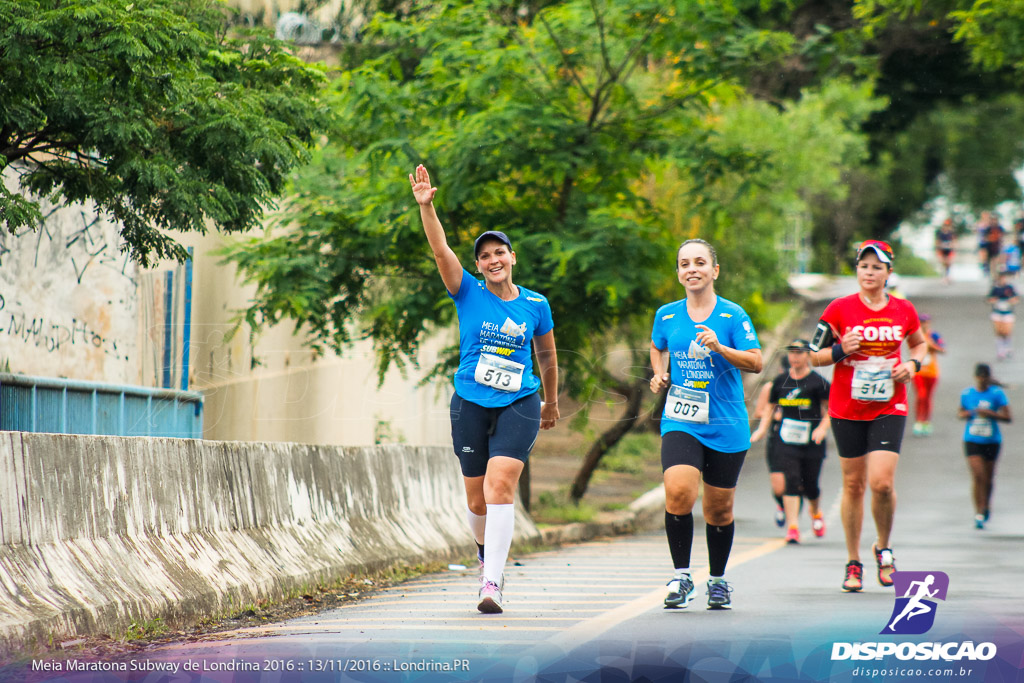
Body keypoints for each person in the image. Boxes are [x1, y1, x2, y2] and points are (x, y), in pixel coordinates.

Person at [409, 164, 559, 614]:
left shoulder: (537, 303)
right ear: (478, 265)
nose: (493, 260)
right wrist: (427, 207)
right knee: (476, 495)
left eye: (500, 253)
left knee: (500, 485)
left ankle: (491, 583)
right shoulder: (467, 291)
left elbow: (547, 356)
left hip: (520, 400)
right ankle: (483, 554)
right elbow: (440, 252)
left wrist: (550, 401)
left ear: (513, 257)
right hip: (470, 402)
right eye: (485, 256)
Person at [649, 238, 762, 610]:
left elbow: (756, 362)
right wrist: (659, 373)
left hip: (727, 423)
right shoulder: (666, 314)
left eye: (700, 262)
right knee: (679, 492)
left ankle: (717, 580)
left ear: (714, 270)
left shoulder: (733, 315)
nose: (691, 269)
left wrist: (720, 348)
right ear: (679, 273)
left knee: (719, 509)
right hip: (681, 418)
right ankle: (682, 577)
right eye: (684, 264)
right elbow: (657, 345)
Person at [809, 239, 927, 593]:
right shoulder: (839, 309)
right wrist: (840, 349)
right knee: (853, 485)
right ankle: (853, 561)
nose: (869, 272)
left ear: (889, 273)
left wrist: (911, 364)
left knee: (882, 483)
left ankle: (884, 547)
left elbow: (919, 344)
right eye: (864, 266)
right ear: (857, 270)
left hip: (889, 404)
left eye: (877, 267)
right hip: (847, 406)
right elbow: (811, 355)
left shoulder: (904, 310)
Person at [751, 339, 831, 544]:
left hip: (811, 440)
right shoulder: (780, 381)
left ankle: (816, 513)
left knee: (810, 484)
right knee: (792, 481)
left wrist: (822, 428)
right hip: (786, 439)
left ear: (808, 356)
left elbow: (831, 409)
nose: (794, 357)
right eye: (792, 352)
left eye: (799, 353)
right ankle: (793, 526)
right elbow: (770, 408)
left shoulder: (818, 382)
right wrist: (761, 430)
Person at [958, 364, 1011, 529]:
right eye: (980, 377)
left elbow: (1008, 417)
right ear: (976, 377)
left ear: (988, 378)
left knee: (988, 478)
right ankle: (978, 512)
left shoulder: (997, 394)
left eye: (985, 377)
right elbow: (960, 412)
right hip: (972, 439)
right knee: (978, 476)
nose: (982, 380)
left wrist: (990, 414)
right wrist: (967, 414)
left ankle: (986, 505)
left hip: (992, 440)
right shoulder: (967, 393)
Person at [752, 355, 789, 528]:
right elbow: (759, 412)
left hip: (801, 439)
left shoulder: (808, 383)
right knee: (779, 484)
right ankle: (781, 505)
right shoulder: (771, 386)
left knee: (799, 481)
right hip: (777, 436)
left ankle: (796, 519)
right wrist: (776, 415)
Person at [911, 314, 945, 436]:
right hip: (918, 371)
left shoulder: (934, 335)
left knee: (928, 397)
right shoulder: (914, 334)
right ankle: (919, 421)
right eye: (921, 322)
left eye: (926, 322)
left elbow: (943, 350)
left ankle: (926, 422)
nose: (924, 324)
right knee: (921, 395)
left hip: (932, 372)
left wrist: (932, 346)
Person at [986, 270, 1018, 360]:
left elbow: (1016, 298)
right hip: (997, 312)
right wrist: (994, 300)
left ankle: (1008, 347)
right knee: (999, 332)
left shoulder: (1010, 288)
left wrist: (1011, 300)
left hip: (1007, 312)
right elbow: (988, 299)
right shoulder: (995, 289)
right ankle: (1000, 351)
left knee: (1007, 331)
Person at [934, 219, 956, 284]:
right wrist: (938, 248)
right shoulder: (940, 233)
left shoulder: (951, 233)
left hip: (949, 250)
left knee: (948, 263)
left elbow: (954, 241)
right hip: (942, 250)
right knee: (943, 263)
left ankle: (947, 276)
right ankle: (943, 276)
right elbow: (938, 241)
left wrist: (952, 246)